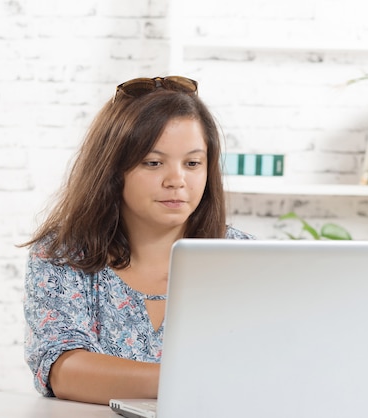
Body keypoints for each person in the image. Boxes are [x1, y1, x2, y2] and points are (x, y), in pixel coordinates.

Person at [22, 76, 254, 405]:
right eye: (153, 162)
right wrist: (190, 377)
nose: (177, 180)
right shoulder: (62, 255)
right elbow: (62, 370)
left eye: (192, 163)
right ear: (114, 170)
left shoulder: (243, 255)